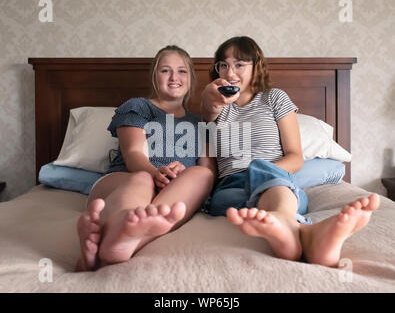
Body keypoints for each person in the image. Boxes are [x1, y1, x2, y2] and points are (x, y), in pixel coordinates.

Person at [200, 36, 380, 267]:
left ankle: (286, 228)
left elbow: (295, 157)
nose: (230, 72)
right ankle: (308, 235)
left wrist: (263, 171)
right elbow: (208, 112)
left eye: (240, 64)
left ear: (257, 67)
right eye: (223, 65)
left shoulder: (274, 98)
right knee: (232, 199)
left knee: (267, 176)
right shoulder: (215, 107)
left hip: (278, 181)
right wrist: (210, 100)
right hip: (232, 187)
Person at [76, 45, 216, 271]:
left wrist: (182, 175)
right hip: (124, 180)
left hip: (173, 191)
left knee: (202, 174)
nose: (174, 77)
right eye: (165, 71)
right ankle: (119, 226)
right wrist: (156, 173)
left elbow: (209, 171)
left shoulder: (200, 123)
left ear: (191, 77)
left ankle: (115, 245)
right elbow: (133, 154)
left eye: (181, 71)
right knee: (142, 179)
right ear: (154, 76)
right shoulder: (138, 107)